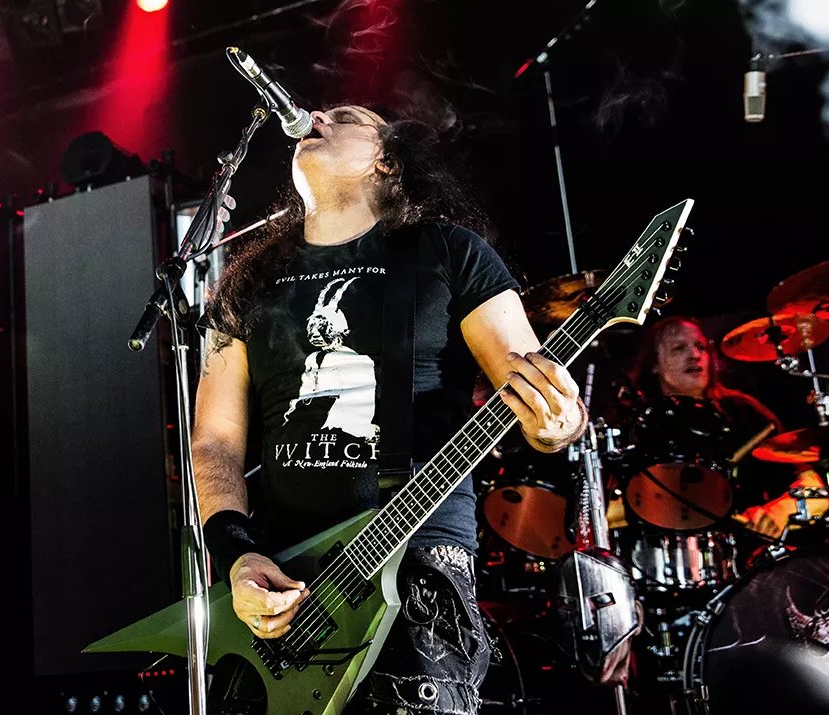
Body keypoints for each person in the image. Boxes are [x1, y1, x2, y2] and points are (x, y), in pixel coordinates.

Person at [194, 104, 587, 714]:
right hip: (285, 579)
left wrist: (558, 422)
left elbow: (536, 390)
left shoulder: (448, 252)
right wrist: (236, 554)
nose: (317, 115)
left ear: (386, 160)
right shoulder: (248, 284)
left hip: (417, 555)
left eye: (345, 116)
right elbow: (214, 441)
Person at [626, 316, 825, 537]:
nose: (694, 355)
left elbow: (812, 483)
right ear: (653, 364)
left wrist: (781, 511)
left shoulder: (742, 411)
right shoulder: (641, 426)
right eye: (678, 348)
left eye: (701, 347)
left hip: (753, 547)